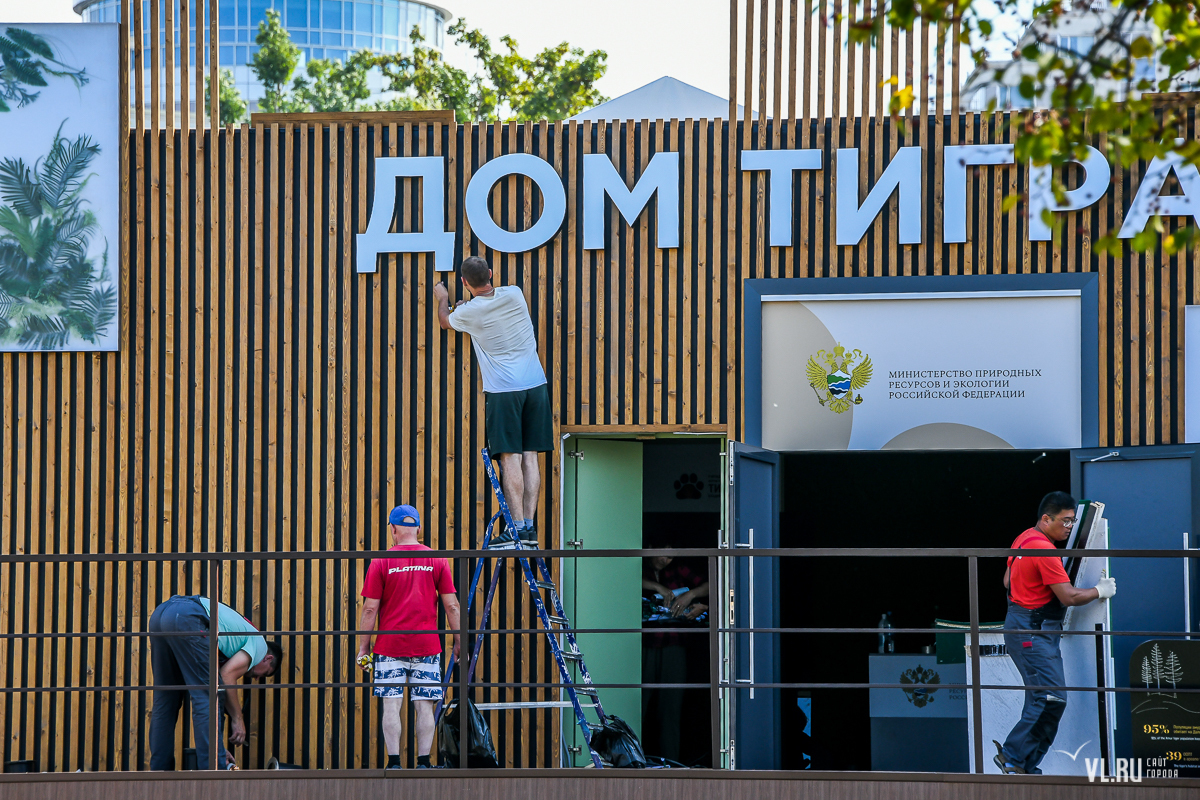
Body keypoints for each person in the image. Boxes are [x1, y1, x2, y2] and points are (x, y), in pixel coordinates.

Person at [994, 491, 1117, 775]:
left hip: (1023, 626)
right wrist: (1100, 591)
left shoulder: (1024, 538)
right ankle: (1013, 757)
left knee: (1043, 698)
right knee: (1051, 698)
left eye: (1073, 522)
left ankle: (1021, 765)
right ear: (1046, 518)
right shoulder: (1045, 550)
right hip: (1032, 632)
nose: (1070, 527)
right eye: (1066, 521)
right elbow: (1069, 597)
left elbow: (1006, 580)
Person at [434, 256, 551, 549]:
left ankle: (516, 530)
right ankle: (529, 528)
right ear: (489, 273)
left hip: (504, 390)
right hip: (535, 384)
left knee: (509, 457)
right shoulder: (514, 294)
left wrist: (444, 298)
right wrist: (466, 305)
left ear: (464, 282)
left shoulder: (468, 313)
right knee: (530, 455)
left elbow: (446, 321)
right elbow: (484, 303)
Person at [357, 504, 461, 769]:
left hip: (389, 646)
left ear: (392, 529)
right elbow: (452, 606)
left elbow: (370, 607)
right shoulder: (436, 559)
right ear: (418, 528)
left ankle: (393, 763)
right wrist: (459, 642)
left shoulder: (382, 560)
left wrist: (363, 647)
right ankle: (424, 762)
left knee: (391, 704)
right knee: (425, 705)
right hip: (427, 645)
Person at [148, 595, 282, 770]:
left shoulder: (239, 635)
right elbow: (227, 676)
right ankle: (213, 770)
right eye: (264, 674)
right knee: (209, 696)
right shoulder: (260, 645)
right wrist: (237, 718)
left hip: (160, 615)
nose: (256, 679)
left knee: (165, 701)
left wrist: (218, 748)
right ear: (267, 659)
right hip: (188, 616)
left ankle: (160, 771)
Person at [641, 552, 709, 763]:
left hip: (674, 644)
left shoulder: (678, 570)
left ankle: (671, 762)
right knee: (636, 703)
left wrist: (690, 596)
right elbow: (621, 577)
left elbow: (712, 584)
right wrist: (658, 588)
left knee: (671, 708)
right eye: (663, 553)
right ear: (651, 548)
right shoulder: (639, 567)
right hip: (643, 646)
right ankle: (629, 760)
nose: (666, 559)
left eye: (671, 556)